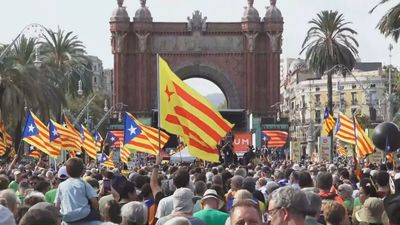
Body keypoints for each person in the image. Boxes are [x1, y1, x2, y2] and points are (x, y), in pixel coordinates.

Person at [55, 157, 101, 224]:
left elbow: (57, 205)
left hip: (67, 217)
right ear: (82, 171)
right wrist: (95, 211)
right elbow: (94, 202)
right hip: (83, 214)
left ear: (67, 172)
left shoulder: (61, 185)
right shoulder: (84, 184)